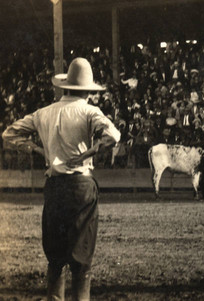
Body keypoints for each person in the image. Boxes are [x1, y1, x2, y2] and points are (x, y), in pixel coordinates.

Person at [2, 58, 121, 301]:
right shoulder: (89, 111)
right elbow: (113, 136)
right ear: (86, 90)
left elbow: (8, 134)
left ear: (65, 86)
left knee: (55, 260)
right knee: (82, 259)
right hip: (81, 188)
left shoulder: (43, 113)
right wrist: (88, 153)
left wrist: (36, 149)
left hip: (54, 187)